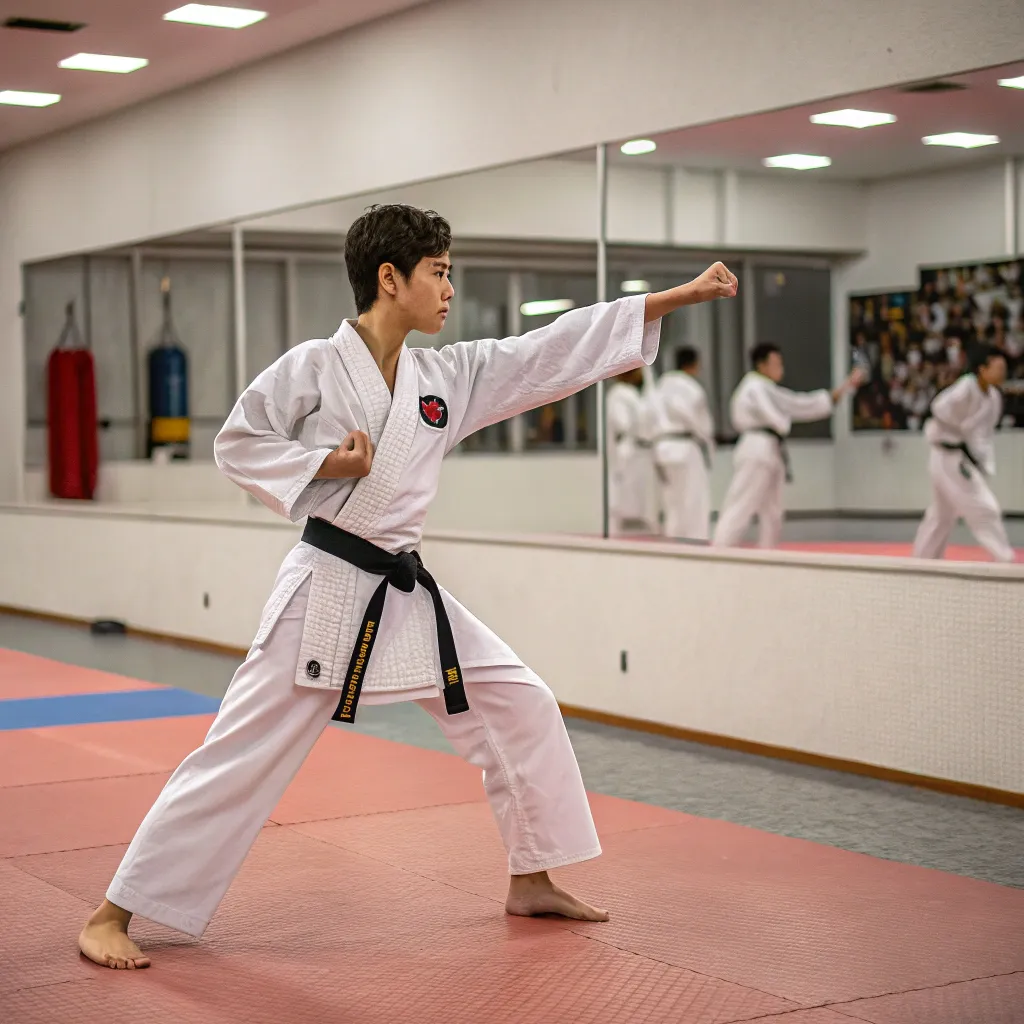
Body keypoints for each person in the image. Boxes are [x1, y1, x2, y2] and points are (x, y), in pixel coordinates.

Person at [77, 203, 738, 969]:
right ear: (390, 279)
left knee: (519, 700)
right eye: (439, 272)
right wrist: (327, 465)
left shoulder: (444, 378)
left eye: (450, 270)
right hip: (325, 591)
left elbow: (541, 352)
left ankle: (532, 874)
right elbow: (238, 441)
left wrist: (667, 301)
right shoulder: (315, 368)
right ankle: (111, 912)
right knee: (241, 751)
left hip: (402, 588)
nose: (451, 287)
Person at [712, 343, 861, 549]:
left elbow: (801, 404)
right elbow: (779, 416)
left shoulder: (767, 388)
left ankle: (768, 557)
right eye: (776, 363)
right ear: (761, 365)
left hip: (769, 449)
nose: (781, 367)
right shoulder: (754, 386)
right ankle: (719, 552)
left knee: (773, 512)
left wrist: (846, 387)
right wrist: (782, 422)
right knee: (741, 504)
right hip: (757, 448)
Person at [912, 345, 1014, 563]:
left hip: (957, 456)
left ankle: (923, 561)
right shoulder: (966, 386)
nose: (1003, 373)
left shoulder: (994, 398)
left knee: (942, 516)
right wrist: (959, 428)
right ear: (982, 369)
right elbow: (938, 408)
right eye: (998, 368)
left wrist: (979, 460)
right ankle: (1004, 559)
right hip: (946, 454)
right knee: (984, 507)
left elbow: (983, 435)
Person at [653, 346, 715, 542]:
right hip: (685, 444)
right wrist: (708, 443)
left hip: (662, 446)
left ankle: (672, 537)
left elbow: (648, 415)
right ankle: (695, 539)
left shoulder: (660, 385)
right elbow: (701, 424)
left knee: (671, 497)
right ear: (694, 364)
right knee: (693, 496)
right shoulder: (691, 388)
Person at [606, 367, 659, 534]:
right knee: (625, 498)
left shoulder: (637, 395)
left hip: (643, 451)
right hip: (629, 451)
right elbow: (624, 423)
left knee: (644, 500)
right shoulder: (619, 394)